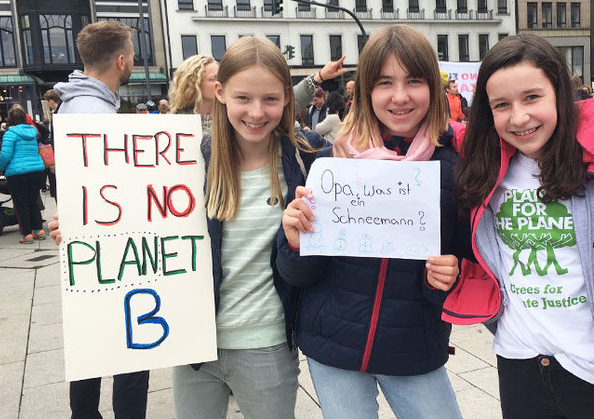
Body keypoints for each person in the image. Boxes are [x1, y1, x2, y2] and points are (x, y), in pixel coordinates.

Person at [449, 33, 594, 419]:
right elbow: (418, 131)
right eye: (501, 105)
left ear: (559, 92)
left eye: (532, 97)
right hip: (518, 362)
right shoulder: (484, 163)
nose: (519, 117)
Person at [277, 24, 470, 418]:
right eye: (385, 83)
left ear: (433, 88)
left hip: (413, 349)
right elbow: (296, 273)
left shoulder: (455, 168)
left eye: (413, 81)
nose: (400, 96)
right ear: (365, 92)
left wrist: (449, 277)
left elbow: (471, 263)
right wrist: (295, 242)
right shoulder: (330, 162)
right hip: (332, 347)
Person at [171, 36, 325, 419]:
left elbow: (316, 265)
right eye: (243, 98)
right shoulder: (187, 161)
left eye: (270, 99)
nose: (257, 112)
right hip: (193, 344)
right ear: (220, 93)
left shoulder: (310, 160)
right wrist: (82, 228)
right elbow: (139, 219)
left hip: (267, 346)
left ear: (288, 97)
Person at [52, 20, 151, 419]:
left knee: (91, 347)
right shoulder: (99, 116)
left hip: (90, 249)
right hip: (112, 251)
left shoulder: (73, 103)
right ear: (122, 60)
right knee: (130, 352)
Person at [170, 54, 346, 137]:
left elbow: (286, 104)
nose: (222, 84)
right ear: (193, 85)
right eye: (214, 79)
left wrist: (319, 77)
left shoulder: (235, 112)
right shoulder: (171, 126)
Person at [0, 107, 45, 244]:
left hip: (17, 172)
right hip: (36, 170)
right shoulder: (32, 132)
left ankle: (27, 234)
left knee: (21, 204)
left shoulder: (10, 134)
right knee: (33, 201)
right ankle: (39, 230)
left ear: (10, 120)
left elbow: (6, 155)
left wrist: (1, 168)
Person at [42, 89, 60, 202]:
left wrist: (53, 162)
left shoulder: (58, 114)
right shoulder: (60, 112)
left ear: (50, 101)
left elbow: (56, 139)